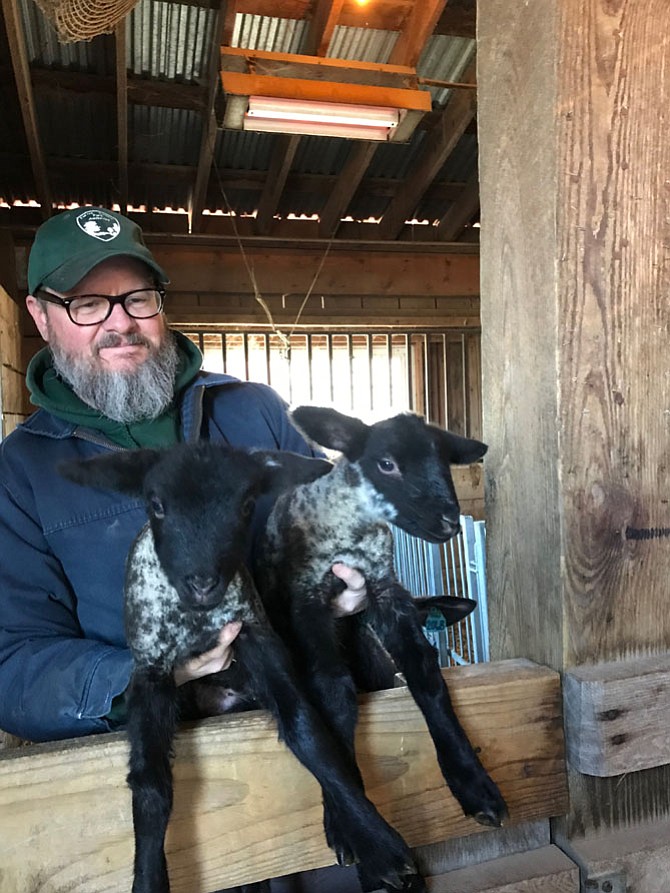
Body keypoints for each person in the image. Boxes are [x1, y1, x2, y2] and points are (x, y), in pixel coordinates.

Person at [0, 206, 367, 744]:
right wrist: (151, 673)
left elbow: (332, 534)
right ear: (40, 315)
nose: (121, 323)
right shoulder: (21, 473)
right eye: (88, 304)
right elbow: (12, 665)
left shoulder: (254, 411)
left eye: (138, 298)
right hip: (169, 755)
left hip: (316, 718)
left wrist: (348, 588)